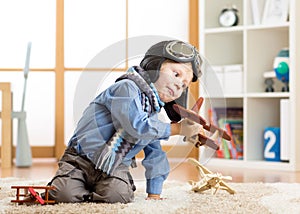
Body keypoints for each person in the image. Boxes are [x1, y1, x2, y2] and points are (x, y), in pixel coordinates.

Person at [47, 40, 203, 203]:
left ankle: (92, 191)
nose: (179, 84)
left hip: (114, 166)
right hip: (79, 159)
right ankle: (81, 188)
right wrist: (178, 129)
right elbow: (136, 127)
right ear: (154, 66)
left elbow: (155, 154)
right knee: (62, 195)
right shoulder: (126, 88)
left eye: (184, 85)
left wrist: (154, 193)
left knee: (118, 196)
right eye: (176, 74)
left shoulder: (152, 117)